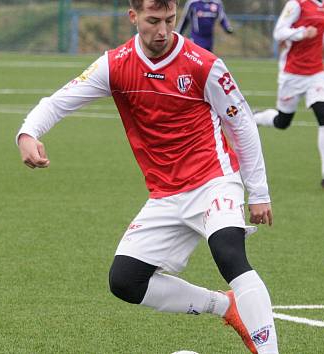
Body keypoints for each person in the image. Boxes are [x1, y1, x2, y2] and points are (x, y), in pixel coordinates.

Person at [16, 1, 278, 353]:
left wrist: (259, 192)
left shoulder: (205, 65)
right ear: (133, 17)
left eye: (169, 20)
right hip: (165, 195)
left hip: (214, 180)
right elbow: (59, 101)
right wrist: (28, 133)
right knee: (125, 281)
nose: (163, 31)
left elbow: (242, 123)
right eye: (153, 21)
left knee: (228, 252)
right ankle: (225, 306)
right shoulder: (116, 65)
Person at [253, 0, 324, 188]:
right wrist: (302, 32)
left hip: (316, 73)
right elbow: (278, 32)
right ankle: (257, 118)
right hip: (292, 74)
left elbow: (319, 36)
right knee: (282, 122)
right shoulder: (296, 4)